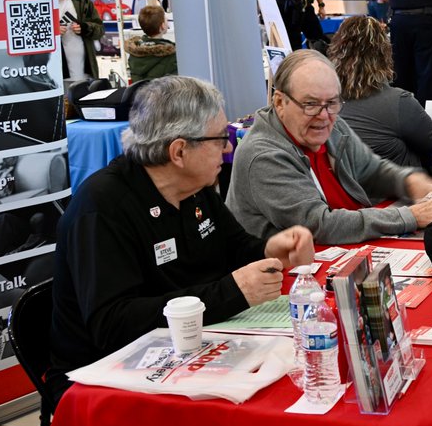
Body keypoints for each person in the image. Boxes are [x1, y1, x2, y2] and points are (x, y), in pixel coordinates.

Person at [50, 76, 315, 398]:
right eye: (220, 138)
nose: (228, 148)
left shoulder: (195, 188)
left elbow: (233, 248)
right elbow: (113, 324)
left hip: (196, 348)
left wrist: (270, 250)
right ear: (179, 151)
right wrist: (231, 293)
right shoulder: (103, 208)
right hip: (107, 379)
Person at [226, 50, 432, 245]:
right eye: (310, 104)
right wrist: (409, 216)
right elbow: (319, 224)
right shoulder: (263, 155)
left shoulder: (331, 126)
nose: (324, 115)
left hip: (346, 250)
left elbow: (371, 170)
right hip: (291, 272)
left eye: (332, 102)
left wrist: (409, 182)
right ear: (279, 102)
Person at [327, 15, 432, 169]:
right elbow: (430, 138)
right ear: (385, 53)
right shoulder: (399, 102)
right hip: (398, 181)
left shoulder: (324, 101)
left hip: (345, 181)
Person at [57, 0, 103, 81]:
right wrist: (52, 32)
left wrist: (85, 28)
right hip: (58, 77)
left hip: (86, 74)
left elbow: (100, 30)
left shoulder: (82, 2)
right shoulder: (42, 5)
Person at [124, 2, 178, 81]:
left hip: (141, 89)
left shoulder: (134, 52)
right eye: (166, 20)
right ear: (162, 26)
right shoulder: (171, 55)